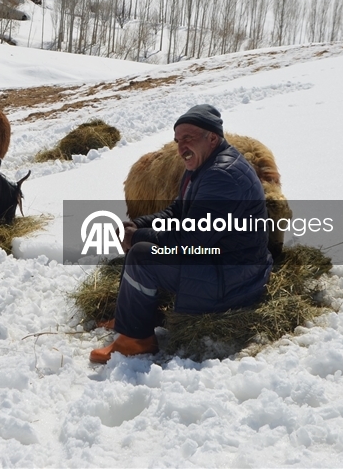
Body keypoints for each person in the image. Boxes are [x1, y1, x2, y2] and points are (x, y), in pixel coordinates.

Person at [90, 104, 273, 364]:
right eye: (178, 140)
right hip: (225, 264)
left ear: (212, 137)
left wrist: (140, 239)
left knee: (143, 255)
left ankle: (136, 341)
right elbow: (179, 212)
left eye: (188, 138)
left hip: (232, 279)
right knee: (142, 244)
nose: (181, 147)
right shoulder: (203, 167)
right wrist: (140, 225)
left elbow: (192, 240)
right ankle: (130, 317)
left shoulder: (221, 176)